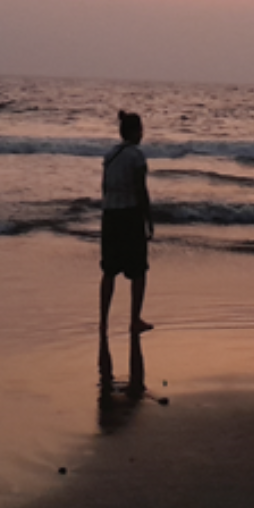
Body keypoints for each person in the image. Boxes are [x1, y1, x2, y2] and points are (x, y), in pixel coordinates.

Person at [99, 110, 154, 360]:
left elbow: (104, 188)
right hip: (130, 215)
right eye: (140, 129)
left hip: (110, 215)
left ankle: (103, 321)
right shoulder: (136, 156)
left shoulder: (110, 155)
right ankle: (134, 320)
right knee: (138, 270)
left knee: (109, 271)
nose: (142, 133)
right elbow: (141, 190)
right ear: (134, 132)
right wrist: (148, 219)